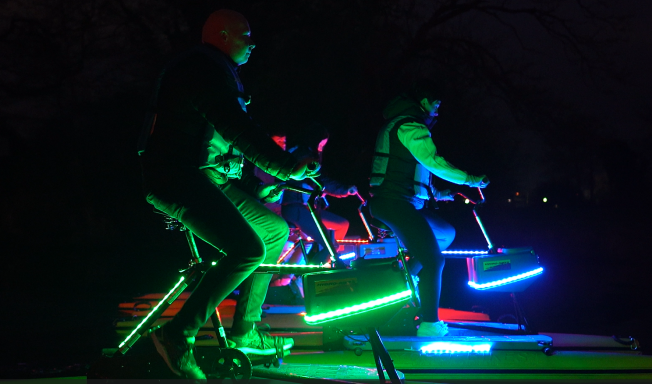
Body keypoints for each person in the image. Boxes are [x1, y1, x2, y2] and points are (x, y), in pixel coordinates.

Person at [138, 9, 319, 380]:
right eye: (245, 35)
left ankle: (244, 331)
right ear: (222, 34)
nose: (252, 43)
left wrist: (257, 186)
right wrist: (285, 165)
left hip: (202, 177)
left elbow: (220, 151)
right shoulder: (202, 71)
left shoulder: (216, 72)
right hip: (176, 178)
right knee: (247, 249)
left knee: (273, 232)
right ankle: (176, 334)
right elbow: (237, 128)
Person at [368, 81, 489, 337]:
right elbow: (432, 161)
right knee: (435, 260)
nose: (438, 110)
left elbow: (414, 172)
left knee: (445, 232)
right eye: (436, 103)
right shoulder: (411, 126)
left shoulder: (405, 124)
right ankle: (430, 324)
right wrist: (470, 179)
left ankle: (408, 277)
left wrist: (441, 193)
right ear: (423, 101)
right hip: (393, 203)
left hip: (403, 201)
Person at [281, 123, 358, 265]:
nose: (322, 146)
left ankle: (290, 277)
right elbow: (320, 179)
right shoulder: (303, 156)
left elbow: (314, 181)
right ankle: (313, 277)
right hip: (296, 208)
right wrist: (344, 189)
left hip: (306, 208)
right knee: (331, 246)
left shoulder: (301, 152)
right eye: (322, 143)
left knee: (341, 224)